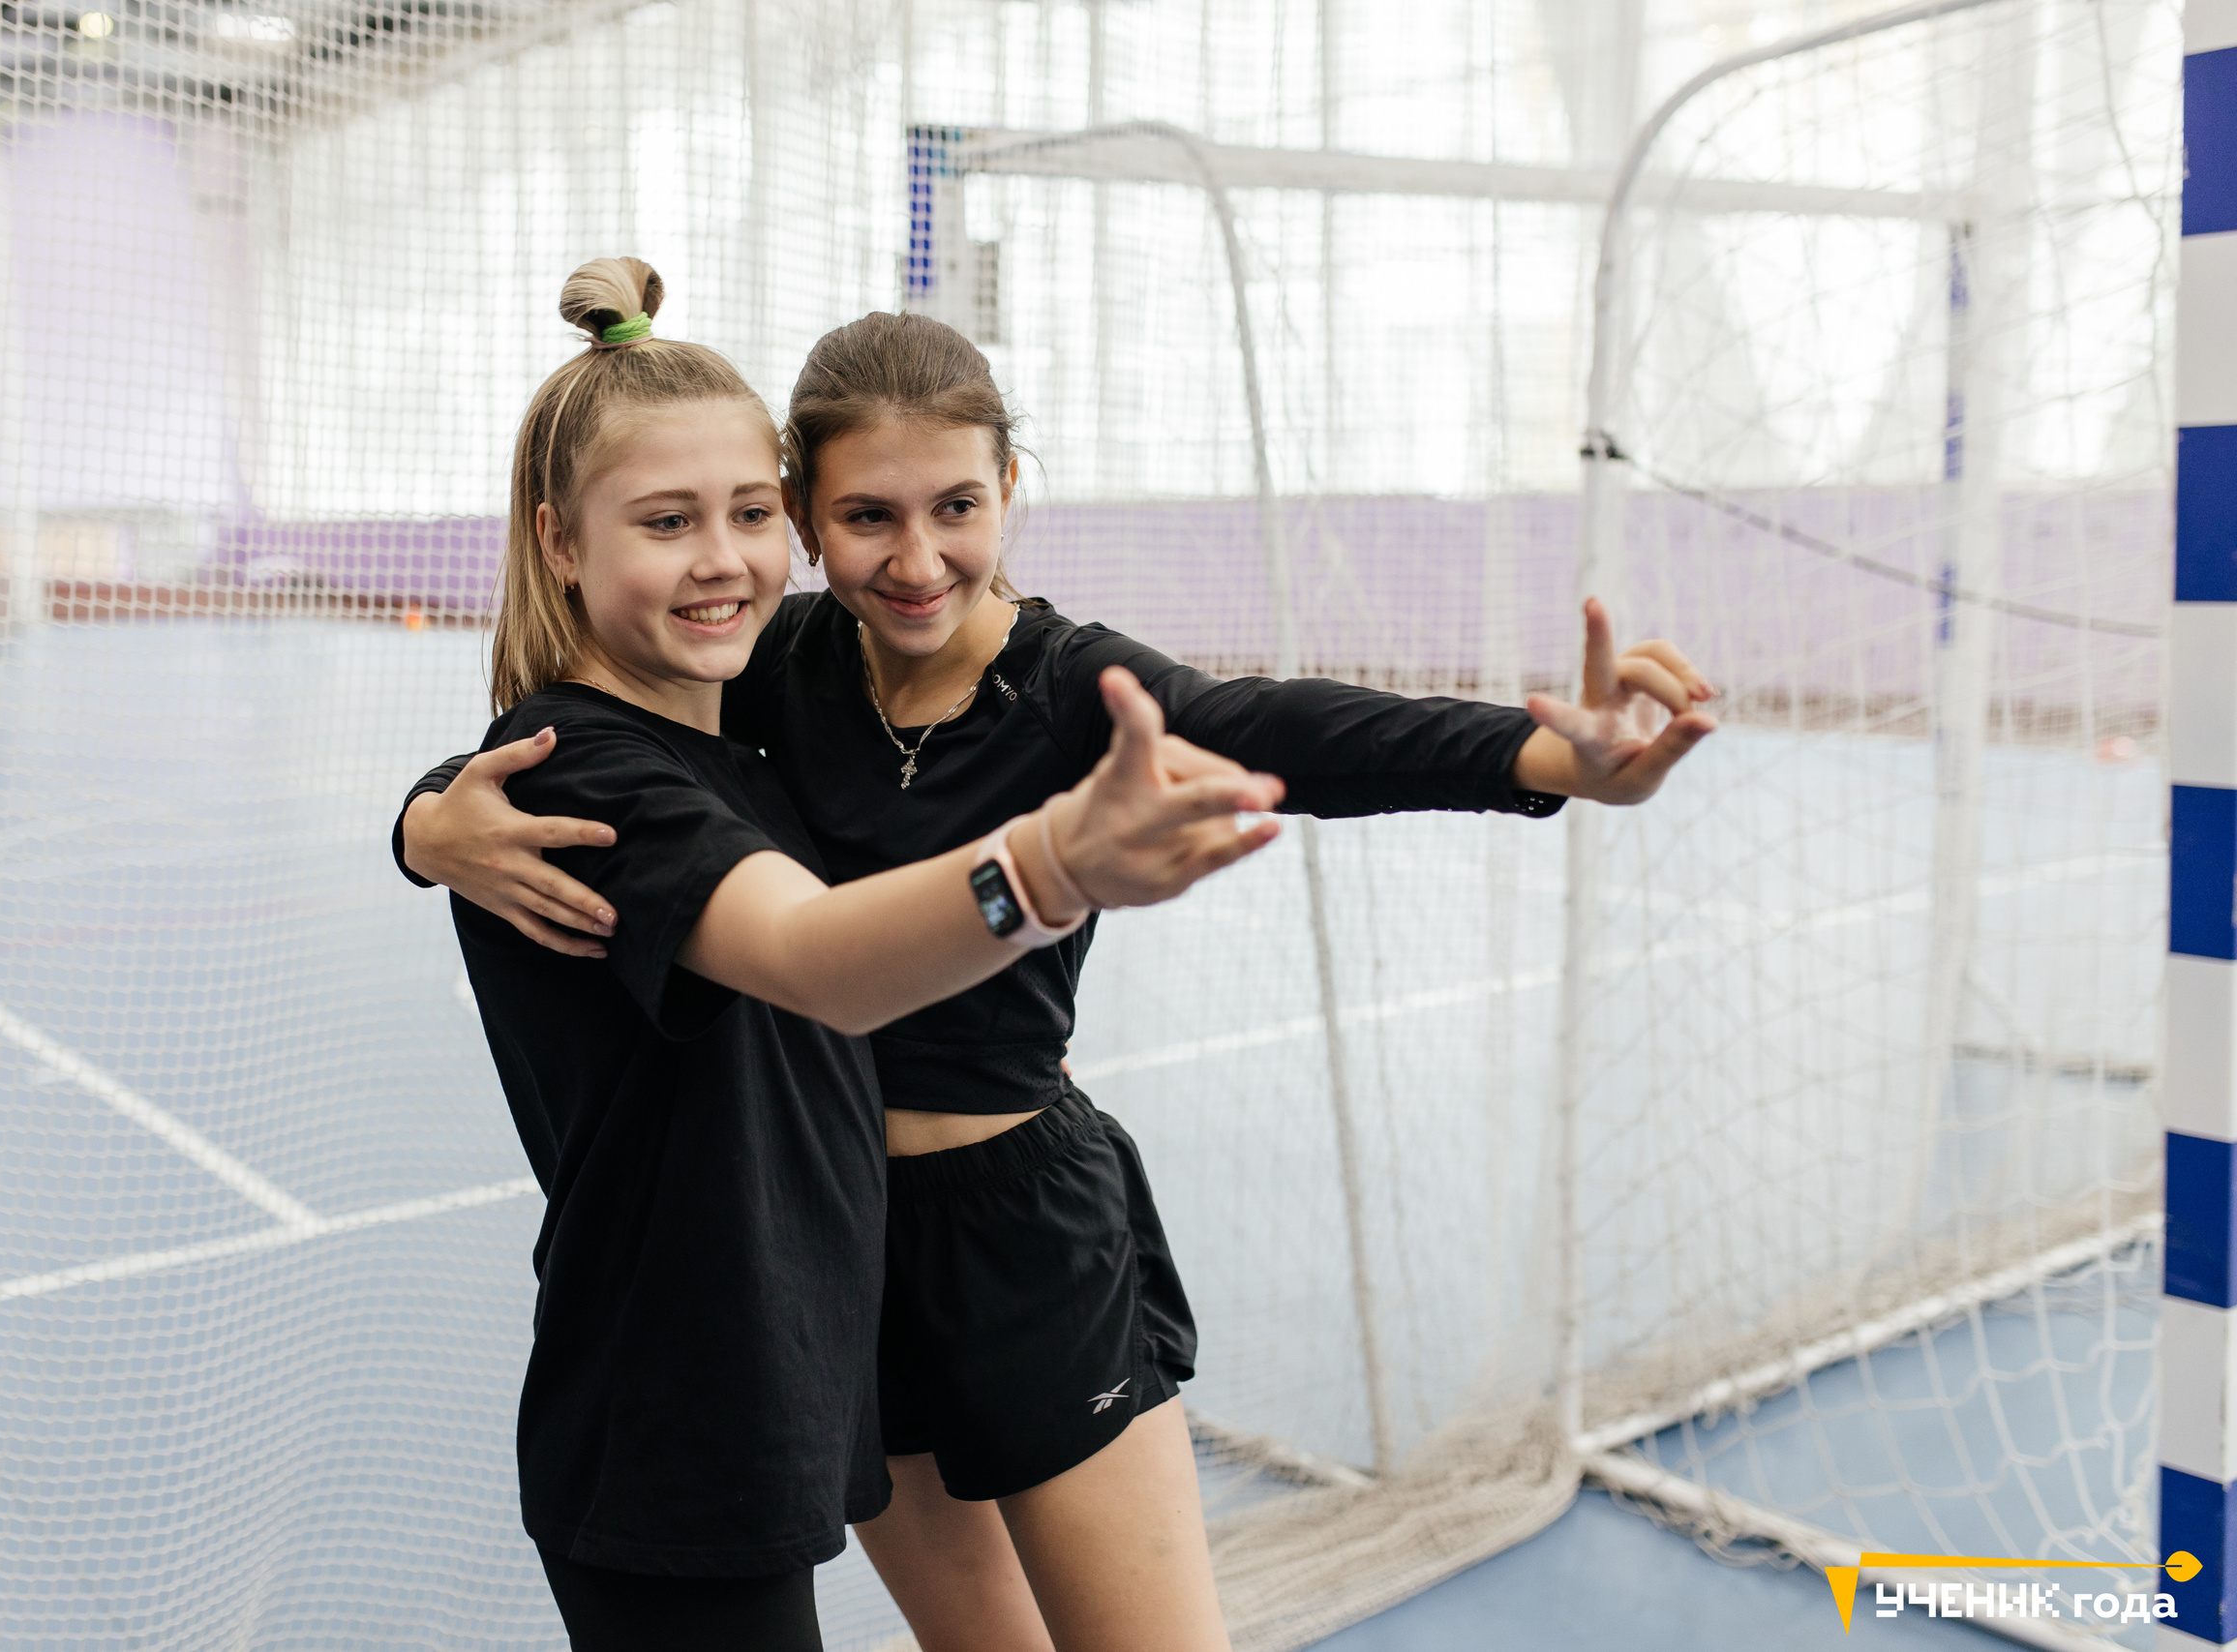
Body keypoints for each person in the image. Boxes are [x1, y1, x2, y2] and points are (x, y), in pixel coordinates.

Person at [399, 311, 1716, 1652]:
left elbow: (1279, 726)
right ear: (809, 518)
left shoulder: (1067, 682)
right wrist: (430, 817)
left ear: (1007, 489)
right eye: (866, 517)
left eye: (956, 507)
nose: (917, 561)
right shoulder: (775, 664)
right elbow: (600, 744)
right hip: (835, 1247)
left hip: (1017, 1225)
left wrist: (1542, 759)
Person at [448, 258, 1284, 1652]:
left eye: (748, 513)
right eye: (666, 520)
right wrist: (1050, 865)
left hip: (774, 1367)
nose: (723, 557)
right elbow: (817, 957)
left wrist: (420, 822)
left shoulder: (730, 740)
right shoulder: (584, 768)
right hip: (669, 1420)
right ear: (560, 540)